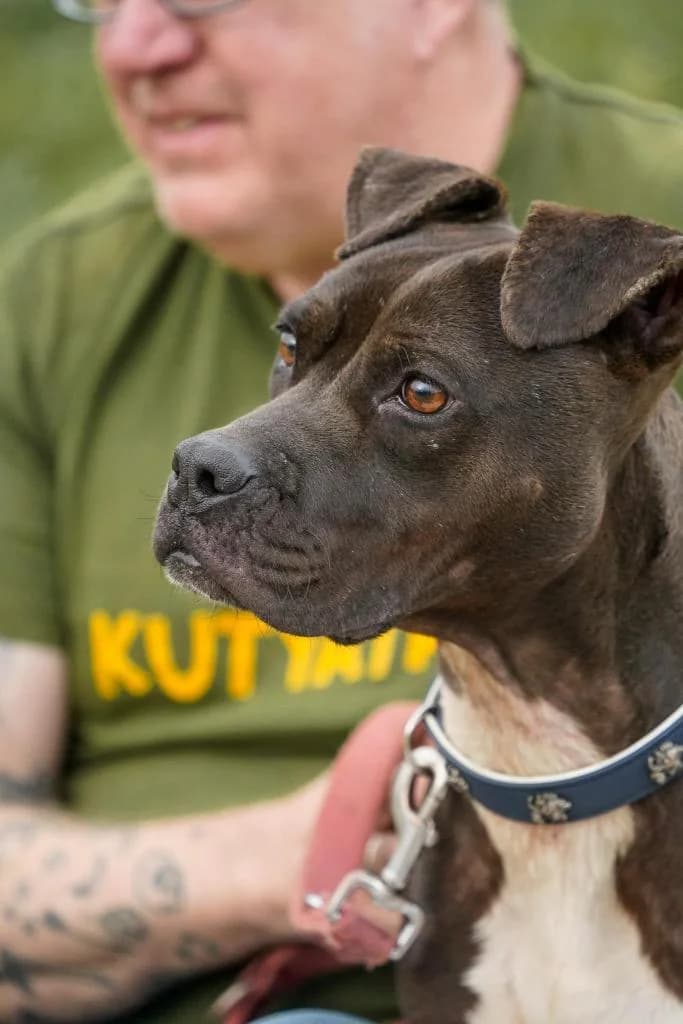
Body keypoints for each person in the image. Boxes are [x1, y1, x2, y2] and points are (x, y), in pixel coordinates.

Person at [0, 1, 682, 1022]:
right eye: (100, 1)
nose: (137, 41)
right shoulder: (56, 290)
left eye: (418, 398)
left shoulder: (625, 270)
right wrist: (278, 858)